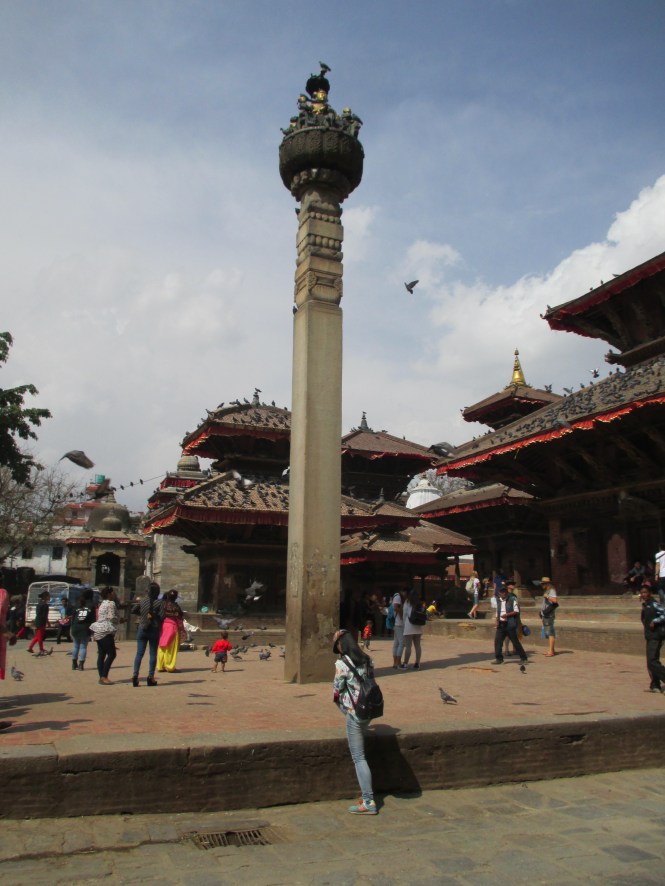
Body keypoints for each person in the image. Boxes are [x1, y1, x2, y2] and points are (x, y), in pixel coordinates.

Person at [332, 628, 377, 815]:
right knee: (361, 753)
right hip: (369, 709)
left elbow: (336, 689)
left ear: (341, 646)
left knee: (359, 757)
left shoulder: (342, 664)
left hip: (354, 713)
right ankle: (366, 798)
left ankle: (368, 801)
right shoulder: (368, 660)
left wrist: (342, 704)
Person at [131, 582, 162, 686]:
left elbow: (133, 610)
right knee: (153, 654)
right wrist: (154, 617)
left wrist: (143, 615)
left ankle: (135, 675)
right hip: (154, 628)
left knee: (139, 653)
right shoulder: (159, 603)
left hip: (142, 628)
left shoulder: (142, 601)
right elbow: (162, 616)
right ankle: (150, 677)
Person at [91, 587, 121, 685]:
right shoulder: (111, 603)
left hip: (98, 630)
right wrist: (120, 620)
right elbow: (112, 617)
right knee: (112, 654)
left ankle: (101, 676)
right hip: (106, 630)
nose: (114, 594)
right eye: (113, 593)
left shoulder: (102, 603)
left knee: (101, 654)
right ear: (109, 594)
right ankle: (104, 676)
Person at [638, 583, 665, 693]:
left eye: (645, 592)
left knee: (652, 661)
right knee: (651, 661)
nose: (643, 594)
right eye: (642, 593)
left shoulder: (654, 604)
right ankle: (655, 685)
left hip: (656, 636)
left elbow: (664, 614)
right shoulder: (646, 605)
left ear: (649, 593)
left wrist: (655, 621)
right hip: (650, 636)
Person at [493, 583, 528, 665]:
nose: (503, 593)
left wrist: (507, 615)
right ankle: (499, 658)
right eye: (502, 592)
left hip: (509, 624)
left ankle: (524, 658)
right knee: (498, 641)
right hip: (501, 624)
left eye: (505, 591)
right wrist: (497, 621)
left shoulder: (512, 599)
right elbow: (497, 611)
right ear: (499, 593)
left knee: (515, 641)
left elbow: (516, 611)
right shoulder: (498, 600)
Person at [157, 589, 184, 673]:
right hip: (172, 626)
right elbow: (180, 616)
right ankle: (170, 666)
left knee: (162, 646)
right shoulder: (175, 606)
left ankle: (160, 666)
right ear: (175, 597)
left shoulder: (162, 604)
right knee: (171, 647)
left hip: (163, 626)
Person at [71, 588, 96, 671]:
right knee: (83, 647)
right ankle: (81, 665)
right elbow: (93, 619)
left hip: (75, 627)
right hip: (85, 628)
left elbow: (73, 617)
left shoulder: (77, 604)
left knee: (75, 646)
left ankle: (74, 663)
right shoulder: (91, 605)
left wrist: (72, 627)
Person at [401, 588, 425, 670]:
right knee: (417, 646)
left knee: (408, 646)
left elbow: (404, 615)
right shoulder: (419, 603)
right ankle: (417, 663)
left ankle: (405, 664)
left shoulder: (407, 602)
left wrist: (403, 625)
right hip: (418, 626)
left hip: (409, 626)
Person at [27, 590, 52, 655]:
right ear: (45, 597)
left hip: (38, 621)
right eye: (49, 596)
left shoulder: (39, 604)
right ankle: (41, 649)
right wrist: (48, 622)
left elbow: (39, 614)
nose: (50, 597)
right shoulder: (45, 605)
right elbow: (44, 615)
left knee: (38, 636)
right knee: (40, 636)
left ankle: (30, 647)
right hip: (41, 622)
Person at [540, 577, 558, 657]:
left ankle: (551, 651)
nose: (542, 585)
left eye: (543, 584)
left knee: (550, 632)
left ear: (547, 583)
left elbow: (555, 601)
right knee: (548, 632)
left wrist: (547, 596)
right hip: (545, 614)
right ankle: (551, 650)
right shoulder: (547, 591)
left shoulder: (551, 591)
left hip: (549, 615)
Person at [391, 588, 406, 669]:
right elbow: (395, 608)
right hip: (399, 623)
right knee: (401, 643)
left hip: (397, 623)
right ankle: (398, 663)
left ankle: (395, 662)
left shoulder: (397, 597)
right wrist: (402, 610)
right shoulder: (398, 597)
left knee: (396, 643)